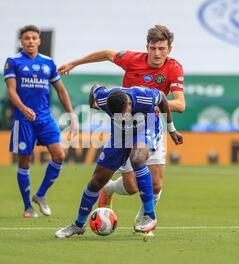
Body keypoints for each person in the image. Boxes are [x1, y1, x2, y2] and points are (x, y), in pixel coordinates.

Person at [58, 25, 185, 222]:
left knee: (156, 184)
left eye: (162, 49)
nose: (157, 53)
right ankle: (108, 189)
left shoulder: (174, 68)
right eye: (153, 48)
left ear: (170, 49)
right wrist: (74, 63)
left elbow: (180, 104)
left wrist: (156, 105)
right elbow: (108, 54)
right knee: (132, 187)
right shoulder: (133, 59)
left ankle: (145, 219)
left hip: (151, 123)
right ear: (147, 47)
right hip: (125, 124)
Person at [55, 85, 183, 238]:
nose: (121, 117)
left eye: (123, 113)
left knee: (137, 159)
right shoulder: (103, 97)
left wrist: (171, 128)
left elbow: (162, 97)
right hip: (120, 136)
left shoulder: (145, 97)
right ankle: (78, 225)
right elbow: (94, 88)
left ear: (129, 104)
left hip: (146, 129)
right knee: (97, 181)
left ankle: (149, 215)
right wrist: (91, 103)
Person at [4, 25, 78, 218]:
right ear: (21, 41)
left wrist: (71, 115)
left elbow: (61, 90)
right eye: (26, 38)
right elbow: (11, 91)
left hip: (44, 118)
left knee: (59, 155)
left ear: (39, 41)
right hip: (23, 119)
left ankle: (41, 195)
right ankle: (27, 207)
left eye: (34, 38)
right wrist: (23, 108)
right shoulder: (13, 62)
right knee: (24, 161)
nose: (30, 41)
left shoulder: (48, 63)